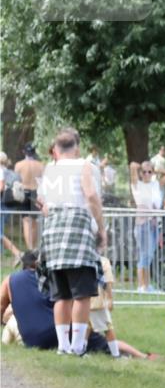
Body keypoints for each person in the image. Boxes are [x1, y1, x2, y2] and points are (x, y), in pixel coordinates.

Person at [36, 128, 108, 356]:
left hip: (53, 233)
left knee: (61, 295)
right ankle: (77, 346)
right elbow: (91, 195)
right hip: (78, 230)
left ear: (56, 148)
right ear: (77, 148)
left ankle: (63, 346)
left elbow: (43, 203)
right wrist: (101, 227)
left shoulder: (50, 169)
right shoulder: (84, 166)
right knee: (82, 294)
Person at [129, 159, 165, 292]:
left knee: (149, 255)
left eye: (149, 172)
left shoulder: (156, 184)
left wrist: (157, 170)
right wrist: (139, 167)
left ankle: (147, 285)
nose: (147, 174)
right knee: (144, 254)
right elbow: (132, 166)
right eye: (144, 172)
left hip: (155, 224)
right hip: (143, 224)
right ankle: (141, 286)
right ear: (141, 173)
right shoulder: (137, 184)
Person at [0, 251, 57, 349]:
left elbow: (1, 307)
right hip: (58, 335)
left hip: (31, 340)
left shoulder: (9, 280)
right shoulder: (53, 277)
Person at [14, 143, 44, 249]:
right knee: (35, 222)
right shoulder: (41, 165)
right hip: (36, 193)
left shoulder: (19, 165)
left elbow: (16, 181)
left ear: (24, 152)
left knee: (26, 221)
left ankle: (30, 248)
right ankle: (34, 248)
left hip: (24, 192)